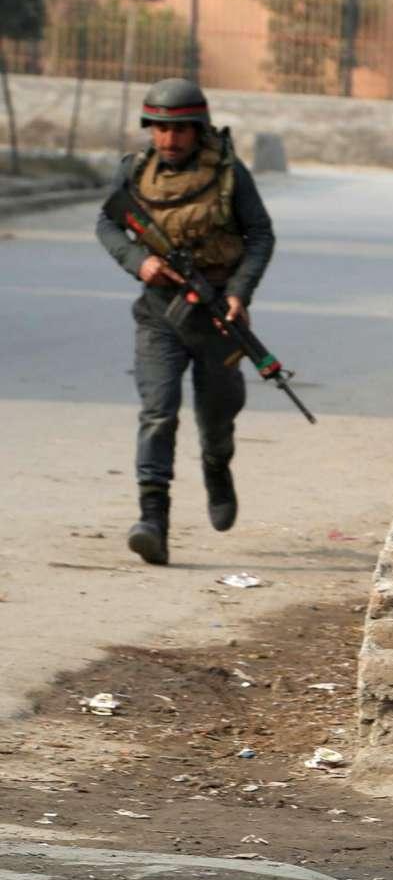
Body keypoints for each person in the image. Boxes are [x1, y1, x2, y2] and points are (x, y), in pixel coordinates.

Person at [95, 78, 274, 566]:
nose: (168, 140)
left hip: (216, 316)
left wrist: (238, 292)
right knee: (158, 411)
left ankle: (217, 465)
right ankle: (152, 520)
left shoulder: (230, 174)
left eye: (178, 130)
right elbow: (108, 223)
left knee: (217, 415)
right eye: (159, 129)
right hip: (159, 312)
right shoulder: (135, 170)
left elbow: (260, 235)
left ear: (198, 129)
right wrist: (140, 262)